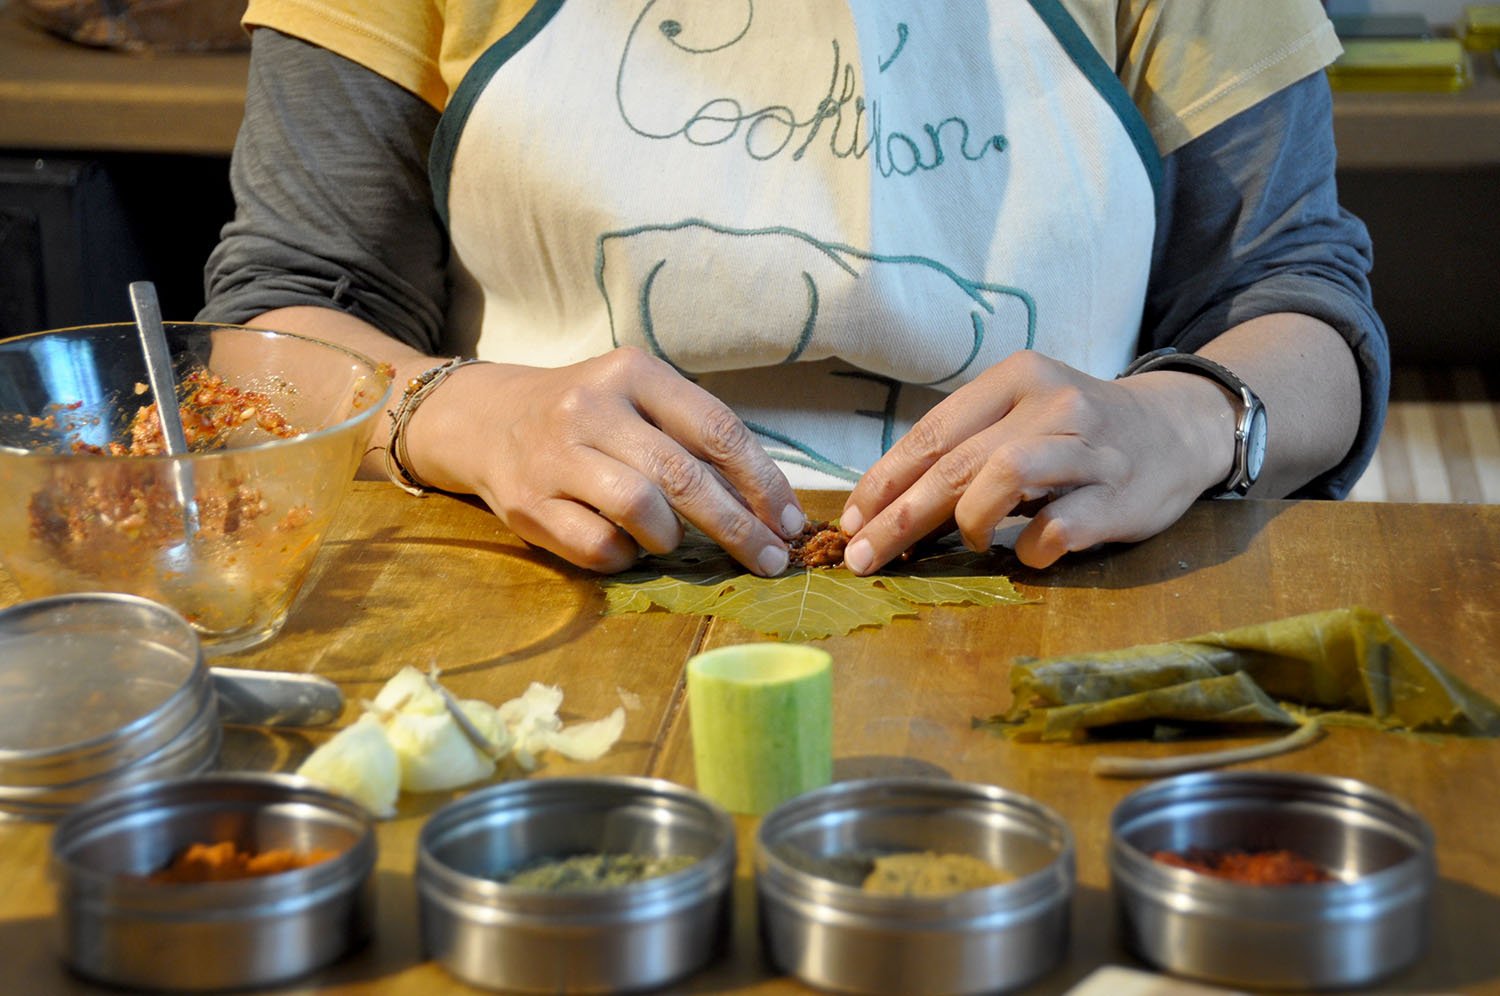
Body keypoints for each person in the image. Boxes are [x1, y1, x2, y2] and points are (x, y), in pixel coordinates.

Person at [200, 1, 1389, 580]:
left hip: (1048, 579)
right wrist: (463, 411)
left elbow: (1301, 303)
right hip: (536, 573)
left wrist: (1180, 419)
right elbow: (274, 325)